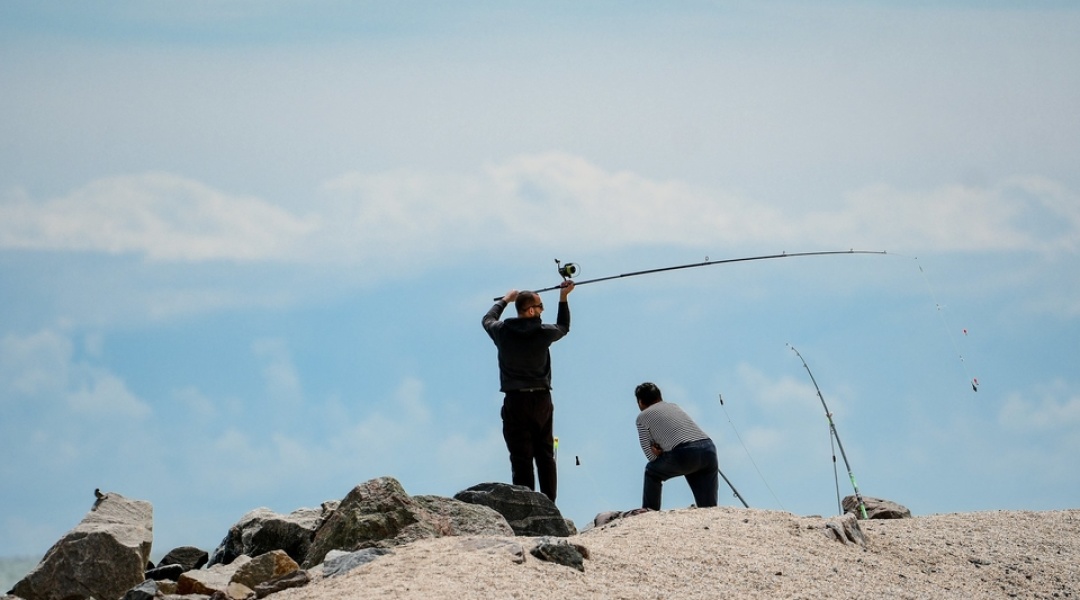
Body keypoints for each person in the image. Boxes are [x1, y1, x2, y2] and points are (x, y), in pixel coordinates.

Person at [482, 280, 575, 502]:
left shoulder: (502, 331)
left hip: (515, 401)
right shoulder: (542, 332)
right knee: (545, 455)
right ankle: (549, 505)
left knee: (520, 457)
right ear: (531, 310)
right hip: (541, 400)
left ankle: (526, 505)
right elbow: (564, 327)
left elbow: (487, 320)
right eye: (541, 306)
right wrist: (563, 297)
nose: (543, 310)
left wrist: (506, 299)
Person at [634, 381, 719, 511]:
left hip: (684, 454)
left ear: (640, 402)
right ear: (659, 397)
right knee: (708, 508)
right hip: (708, 449)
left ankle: (649, 512)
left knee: (651, 471)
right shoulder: (674, 406)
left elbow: (651, 457)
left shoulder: (642, 417)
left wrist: (661, 453)